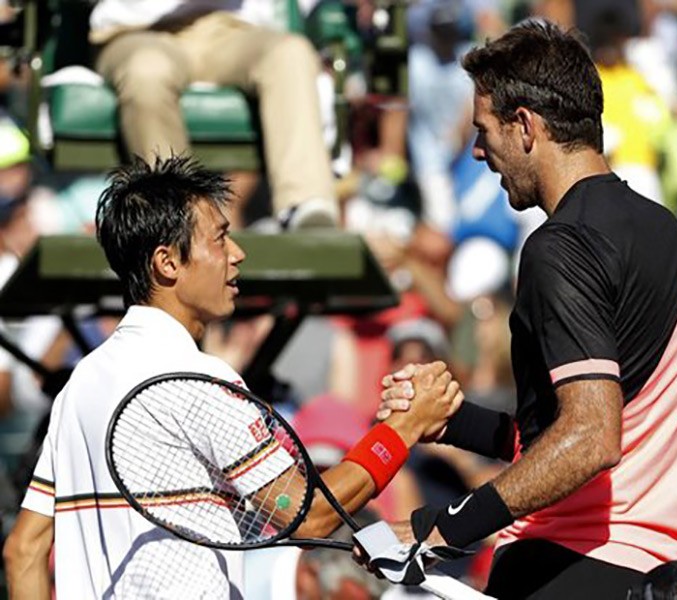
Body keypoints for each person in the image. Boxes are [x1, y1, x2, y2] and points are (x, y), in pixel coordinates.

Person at [1, 155, 462, 599]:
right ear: (168, 262)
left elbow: (23, 550)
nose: (237, 254)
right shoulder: (200, 382)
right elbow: (308, 516)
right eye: (220, 240)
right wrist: (403, 428)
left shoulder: (79, 385)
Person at [377, 21, 677, 598]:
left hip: (568, 569)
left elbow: (590, 438)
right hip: (662, 572)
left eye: (485, 132)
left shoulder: (561, 246)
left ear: (526, 125)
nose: (479, 150)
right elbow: (593, 433)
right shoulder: (666, 231)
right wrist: (456, 424)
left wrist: (449, 529)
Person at [89, 0, 338, 229]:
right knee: (147, 71)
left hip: (231, 29)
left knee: (290, 53)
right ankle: (177, 221)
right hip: (138, 31)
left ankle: (303, 205)